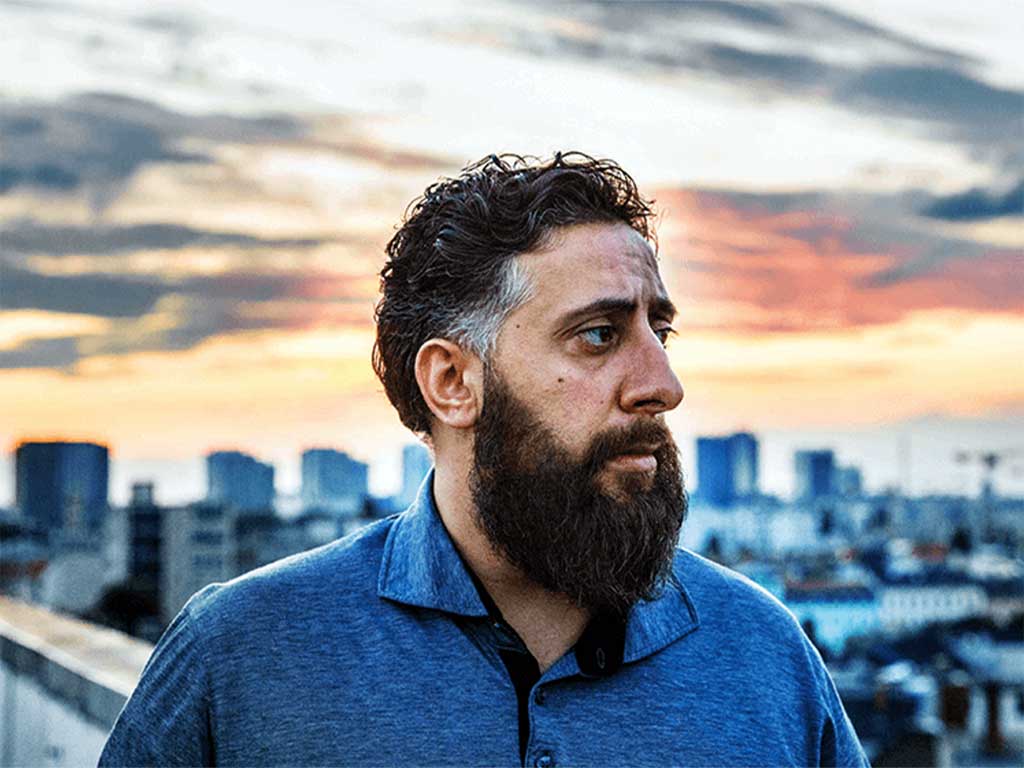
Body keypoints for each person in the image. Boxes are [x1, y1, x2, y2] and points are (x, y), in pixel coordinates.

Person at [100, 153, 868, 766]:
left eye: (658, 333)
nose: (663, 385)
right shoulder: (245, 651)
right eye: (599, 335)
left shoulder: (765, 657)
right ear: (452, 383)